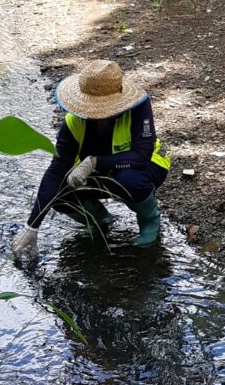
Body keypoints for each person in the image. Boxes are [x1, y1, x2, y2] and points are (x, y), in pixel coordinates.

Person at [11, 59, 171, 260]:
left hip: (144, 166)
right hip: (100, 171)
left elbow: (142, 155)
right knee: (59, 193)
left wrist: (94, 163)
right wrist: (31, 227)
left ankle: (149, 221)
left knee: (129, 178)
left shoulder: (138, 107)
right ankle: (99, 221)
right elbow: (56, 171)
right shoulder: (72, 122)